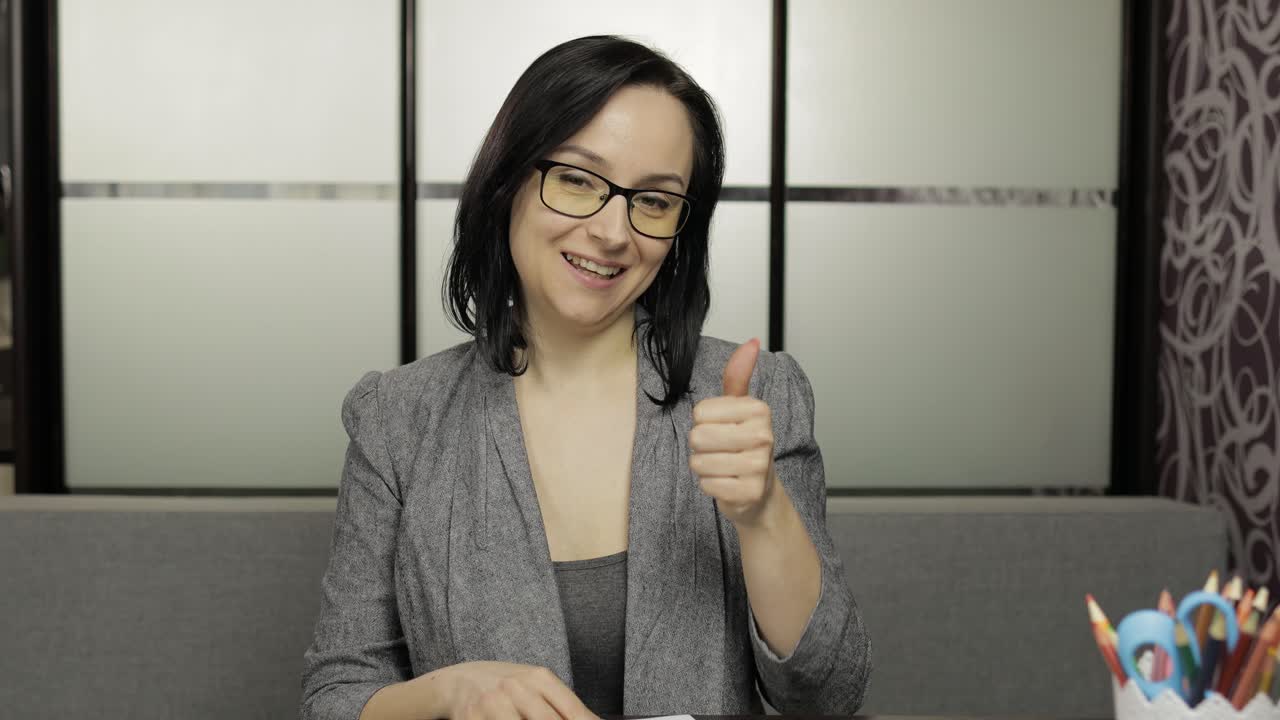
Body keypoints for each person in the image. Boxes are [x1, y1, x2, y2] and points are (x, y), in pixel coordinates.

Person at [301, 35, 871, 720]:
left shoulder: (754, 398)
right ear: (509, 181)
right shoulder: (397, 418)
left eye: (653, 201)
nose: (612, 232)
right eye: (577, 180)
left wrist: (763, 513)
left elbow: (828, 694)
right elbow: (337, 697)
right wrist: (451, 692)